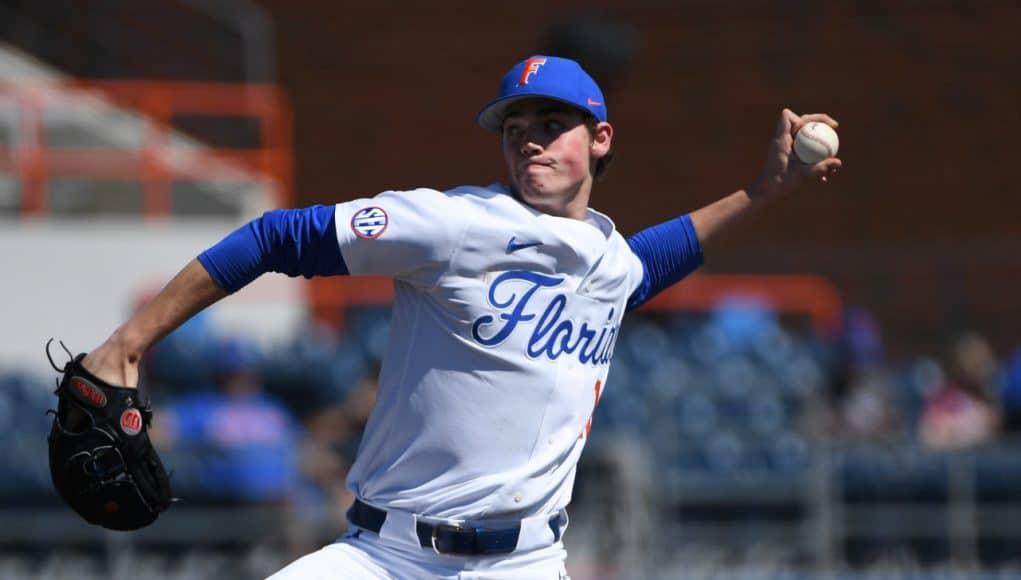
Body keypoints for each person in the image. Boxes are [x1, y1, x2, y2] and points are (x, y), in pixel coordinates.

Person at [77, 55, 841, 578]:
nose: (529, 140)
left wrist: (762, 191)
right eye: (516, 130)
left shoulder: (607, 263)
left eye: (551, 124)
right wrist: (129, 342)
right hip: (385, 557)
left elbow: (652, 261)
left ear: (601, 139)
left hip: (524, 564)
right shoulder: (447, 226)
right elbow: (277, 236)